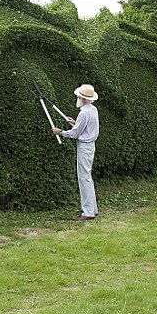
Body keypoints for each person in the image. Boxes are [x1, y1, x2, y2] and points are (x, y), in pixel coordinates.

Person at [52, 84, 99, 220]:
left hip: (84, 147)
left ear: (83, 99)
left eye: (79, 96)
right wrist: (74, 122)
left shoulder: (84, 113)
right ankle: (92, 209)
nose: (77, 97)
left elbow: (74, 134)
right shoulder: (92, 109)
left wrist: (60, 132)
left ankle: (88, 212)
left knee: (84, 178)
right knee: (87, 177)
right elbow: (84, 128)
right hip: (90, 146)